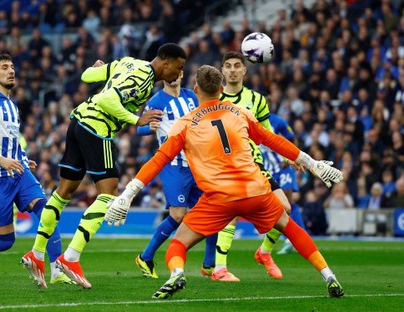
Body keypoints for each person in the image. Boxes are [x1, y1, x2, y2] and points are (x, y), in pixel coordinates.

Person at [105, 65, 344, 299]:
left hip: (220, 199)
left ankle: (177, 273)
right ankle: (329, 275)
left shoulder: (185, 124)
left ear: (196, 88)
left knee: (178, 244)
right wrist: (313, 163)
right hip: (256, 192)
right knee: (290, 227)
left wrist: (128, 193)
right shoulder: (240, 112)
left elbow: (158, 160)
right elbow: (273, 140)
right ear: (221, 88)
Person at [22, 43, 187, 288]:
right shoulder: (144, 77)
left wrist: (100, 69)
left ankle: (36, 254)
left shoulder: (129, 62)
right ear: (165, 61)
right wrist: (136, 119)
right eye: (178, 66)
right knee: (108, 194)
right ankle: (71, 258)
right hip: (97, 129)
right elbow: (107, 97)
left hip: (78, 121)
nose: (179, 73)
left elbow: (86, 76)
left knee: (63, 192)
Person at [0, 53, 72, 287]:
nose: (11, 71)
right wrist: (1, 159)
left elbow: (12, 140)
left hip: (18, 172)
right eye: (5, 67)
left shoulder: (12, 106)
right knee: (5, 240)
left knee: (48, 212)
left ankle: (57, 270)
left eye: (12, 67)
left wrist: (23, 159)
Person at [204, 52, 297, 281]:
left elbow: (268, 134)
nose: (233, 70)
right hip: (225, 165)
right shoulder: (214, 99)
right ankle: (219, 269)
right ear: (222, 71)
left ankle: (264, 252)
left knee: (284, 208)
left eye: (237, 66)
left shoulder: (257, 100)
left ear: (245, 70)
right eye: (228, 66)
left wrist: (290, 155)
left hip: (254, 163)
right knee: (231, 215)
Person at [134, 71, 217, 279]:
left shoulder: (191, 96)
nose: (173, 76)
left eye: (177, 72)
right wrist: (148, 128)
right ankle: (146, 257)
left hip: (197, 163)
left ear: (181, 73)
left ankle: (210, 265)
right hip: (173, 164)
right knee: (178, 215)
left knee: (214, 210)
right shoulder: (157, 101)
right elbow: (140, 129)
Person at [260, 113, 307, 254]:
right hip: (268, 168)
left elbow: (292, 139)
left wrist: (290, 157)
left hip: (284, 166)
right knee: (277, 204)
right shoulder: (249, 119)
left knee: (287, 199)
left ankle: (300, 236)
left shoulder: (278, 121)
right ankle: (290, 237)